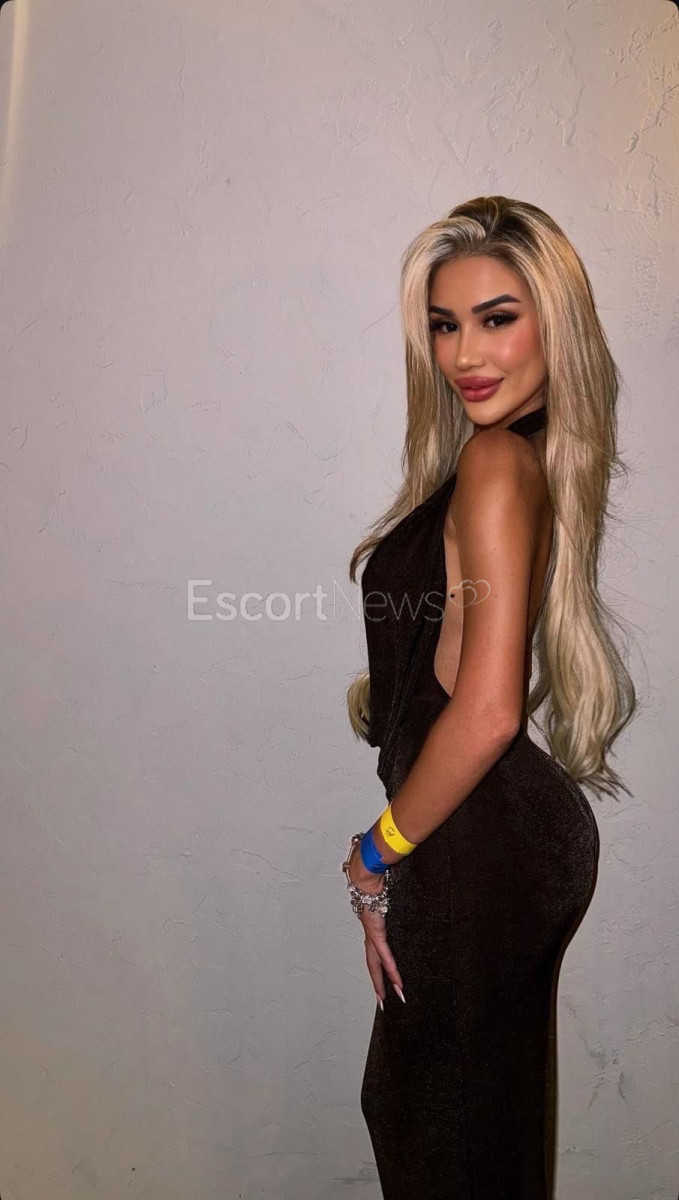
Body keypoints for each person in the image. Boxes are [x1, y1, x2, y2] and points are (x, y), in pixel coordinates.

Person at [342, 196, 637, 1199]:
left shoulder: (497, 460)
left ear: (554, 325)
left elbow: (487, 710)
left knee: (444, 1139)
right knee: (455, 1128)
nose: (464, 353)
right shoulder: (504, 455)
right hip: (486, 837)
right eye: (443, 324)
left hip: (476, 845)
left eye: (496, 318)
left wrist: (373, 856)